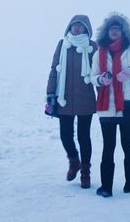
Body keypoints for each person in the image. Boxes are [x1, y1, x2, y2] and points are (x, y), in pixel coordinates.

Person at [91, 12, 130, 197]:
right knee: (108, 147)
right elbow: (93, 77)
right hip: (106, 108)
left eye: (117, 29)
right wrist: (101, 79)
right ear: (106, 31)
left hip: (128, 106)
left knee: (128, 146)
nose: (114, 32)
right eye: (111, 29)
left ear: (123, 31)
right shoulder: (100, 51)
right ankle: (106, 187)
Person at [45, 14, 96, 189]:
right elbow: (54, 69)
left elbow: (98, 70)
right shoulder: (62, 44)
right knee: (65, 135)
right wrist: (50, 93)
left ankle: (85, 173)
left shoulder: (92, 47)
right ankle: (74, 161)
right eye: (74, 25)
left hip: (86, 99)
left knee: (84, 137)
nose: (76, 28)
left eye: (80, 26)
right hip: (63, 97)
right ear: (69, 27)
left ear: (86, 29)